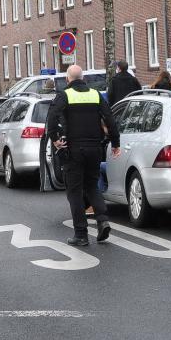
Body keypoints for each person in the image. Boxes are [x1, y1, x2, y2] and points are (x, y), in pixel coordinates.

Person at [46, 65, 120, 246]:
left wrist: (55, 139)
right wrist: (115, 143)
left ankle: (81, 234)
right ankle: (103, 220)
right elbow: (109, 118)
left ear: (68, 79)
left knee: (74, 192)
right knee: (92, 186)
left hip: (73, 150)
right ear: (83, 78)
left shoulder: (64, 95)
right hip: (94, 149)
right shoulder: (95, 94)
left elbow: (52, 119)